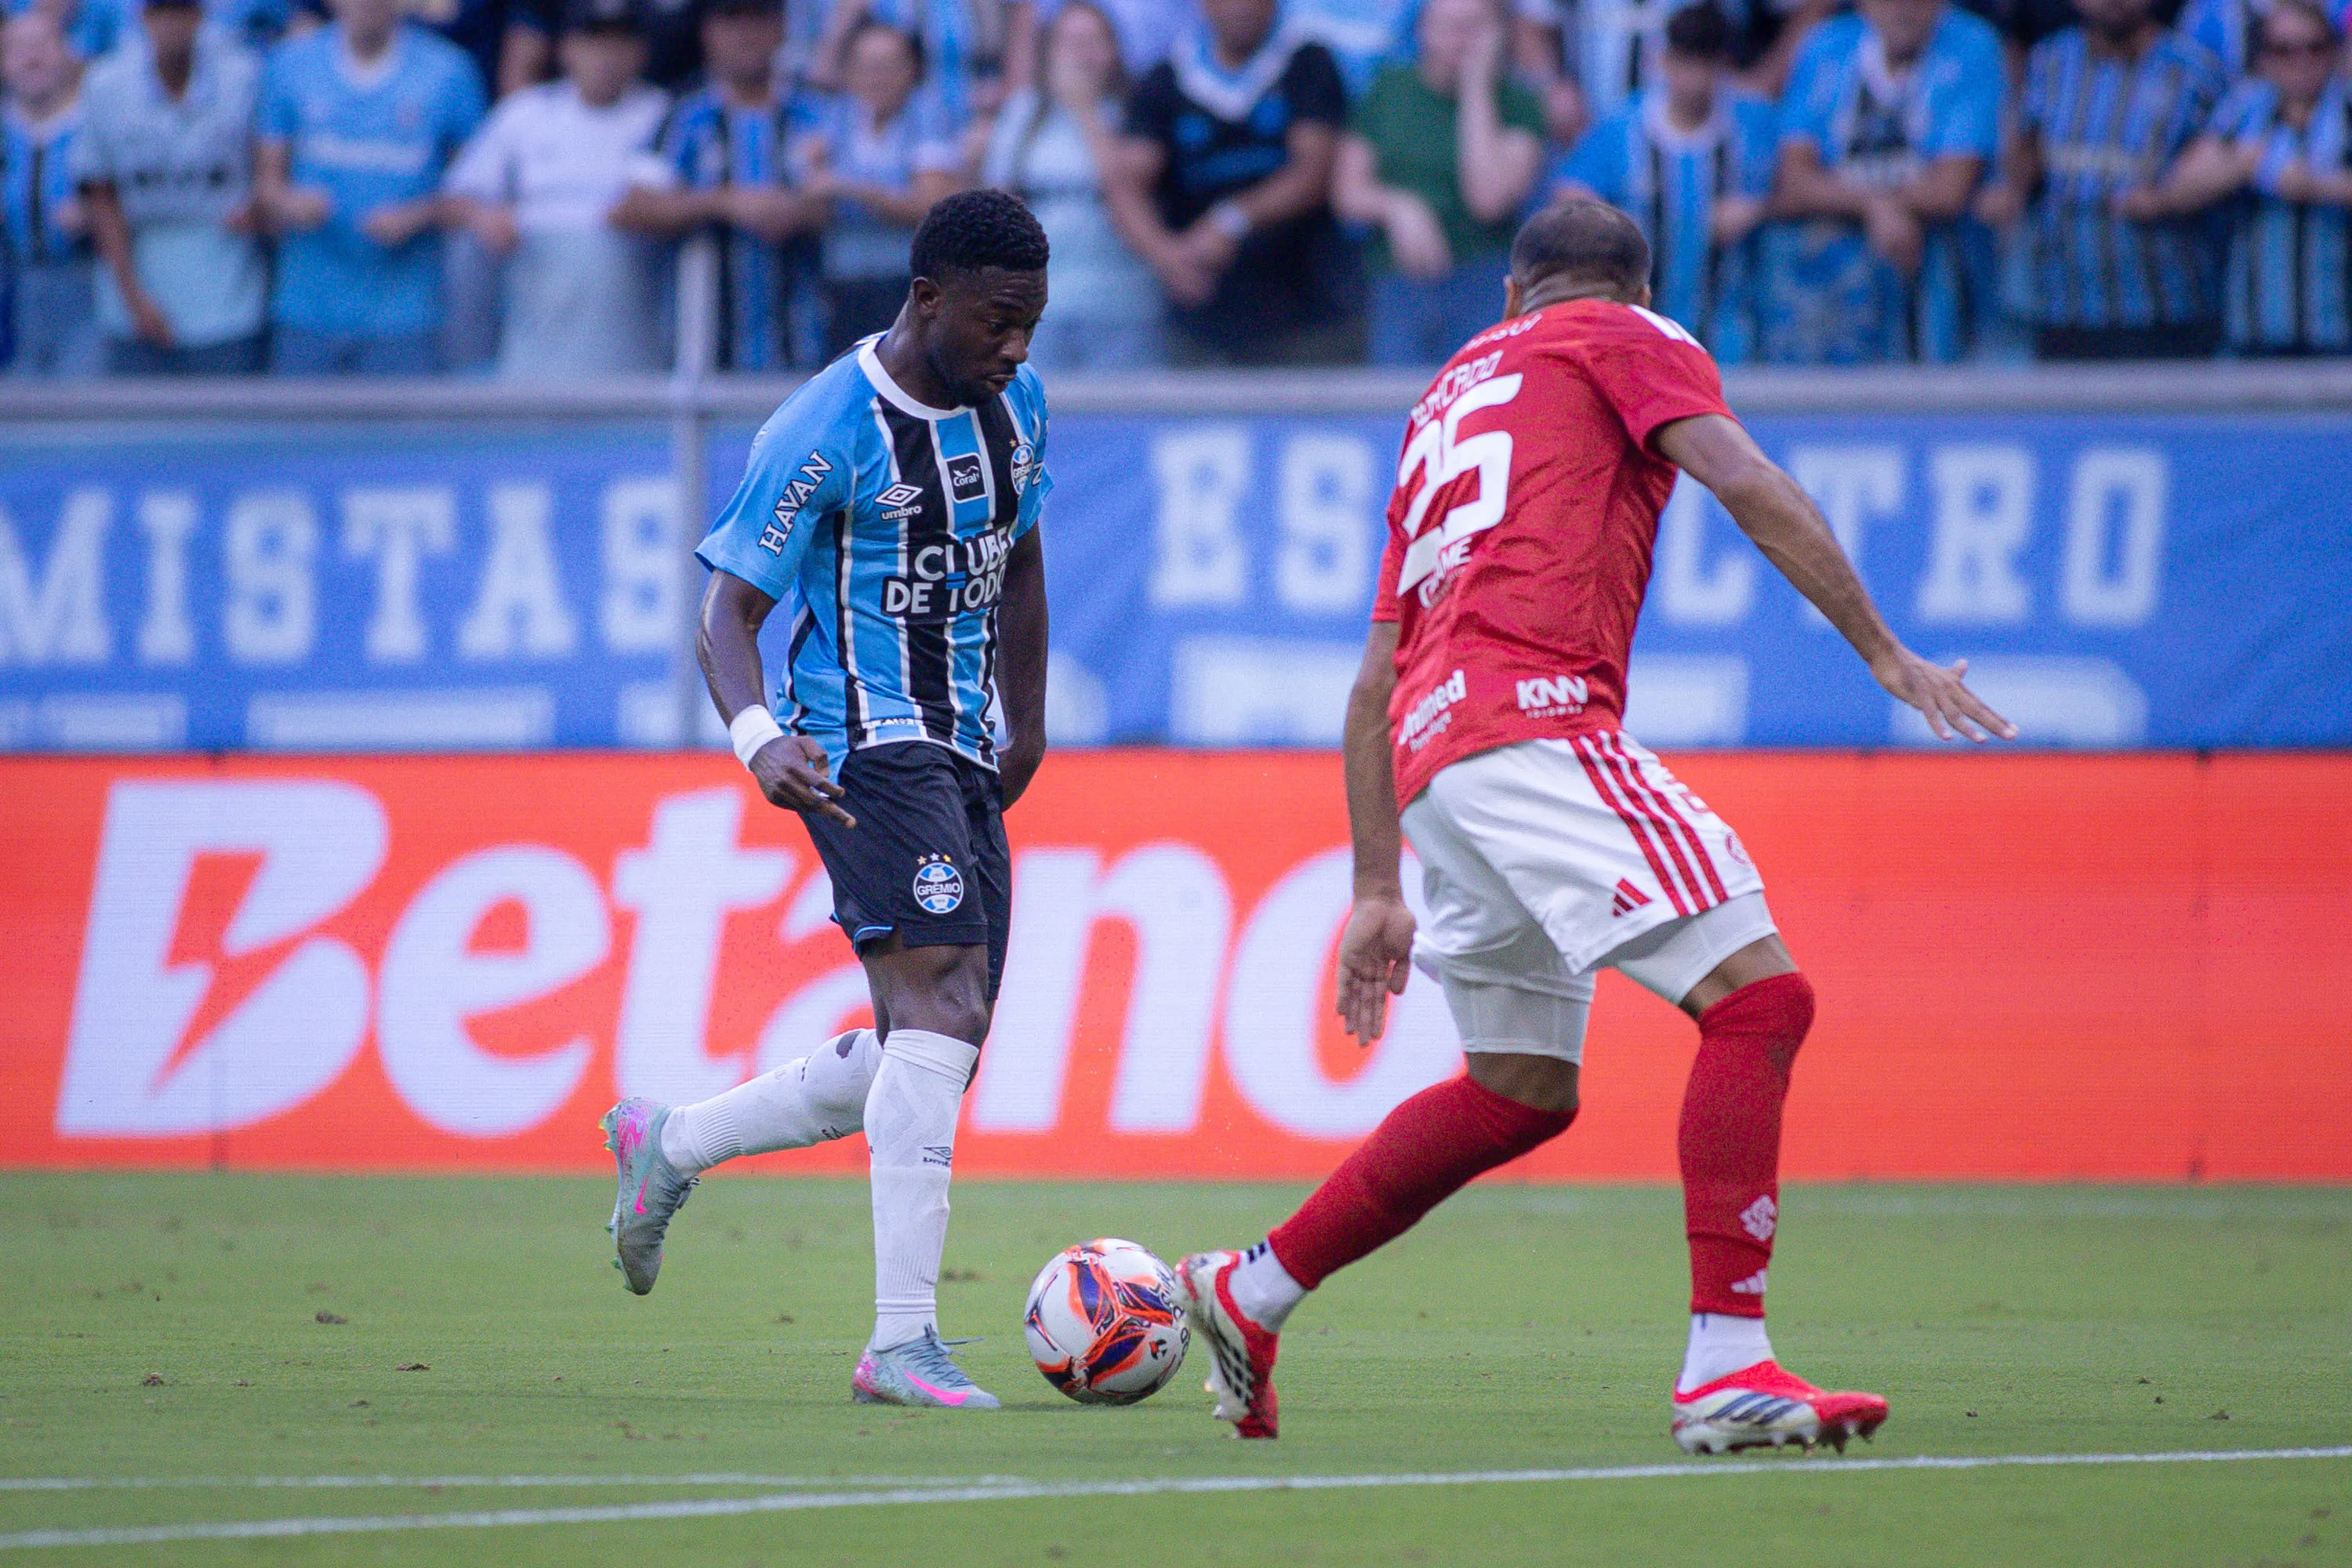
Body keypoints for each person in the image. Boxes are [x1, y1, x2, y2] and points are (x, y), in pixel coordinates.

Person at [1171, 198, 2016, 1451]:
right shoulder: (1626, 334)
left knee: (1518, 1089)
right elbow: (1743, 475)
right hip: (1538, 724)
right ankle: (1727, 1366)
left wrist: (1377, 886)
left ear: (1510, 292)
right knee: (1760, 1002)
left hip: (1434, 758)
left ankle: (1251, 1289)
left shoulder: (1446, 399)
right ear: (1625, 288)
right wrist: (1882, 651)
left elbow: (1371, 673)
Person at [600, 190, 1052, 1413]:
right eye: (1000, 321)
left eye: (1033, 325)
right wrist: (758, 742)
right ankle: (899, 1343)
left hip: (961, 745)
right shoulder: (824, 427)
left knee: (937, 1044)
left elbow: (1018, 559)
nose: (1017, 348)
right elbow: (726, 612)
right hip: (858, 742)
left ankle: (671, 1144)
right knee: (941, 1005)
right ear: (927, 299)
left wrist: (1031, 713)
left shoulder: (1016, 408)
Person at [1979, 0, 2230, 358]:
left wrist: (2170, 197)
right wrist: (2010, 189)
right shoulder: (2050, 60)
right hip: (2062, 307)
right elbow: (2026, 151)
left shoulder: (2194, 70)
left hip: (2166, 309)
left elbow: (2228, 161)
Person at [1105, 0, 1351, 365]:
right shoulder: (1168, 77)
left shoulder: (1307, 64)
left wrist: (1231, 220)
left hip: (1307, 311)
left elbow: (1314, 173)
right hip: (1201, 320)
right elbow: (1125, 185)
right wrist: (1166, 256)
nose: (1241, 7)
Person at [1761, 0, 2004, 363]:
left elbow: (1951, 189)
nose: (1902, 9)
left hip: (1936, 266)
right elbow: (1795, 180)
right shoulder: (1826, 46)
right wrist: (1876, 206)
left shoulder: (1974, 46)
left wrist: (1871, 203)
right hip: (1830, 279)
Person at [442, 0, 670, 379]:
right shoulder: (524, 114)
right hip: (534, 353)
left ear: (640, 52)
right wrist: (484, 216)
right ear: (566, 48)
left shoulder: (664, 114)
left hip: (634, 358)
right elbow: (452, 200)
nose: (606, 56)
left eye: (620, 42)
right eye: (593, 40)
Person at [256, 0, 486, 374]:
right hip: (308, 312)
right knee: (301, 433)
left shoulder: (449, 72)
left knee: (402, 433)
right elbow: (266, 185)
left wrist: (421, 213)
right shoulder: (290, 65)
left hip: (406, 319)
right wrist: (290, 204)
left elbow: (478, 196)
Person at [2124, 0, 2352, 354]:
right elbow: (2179, 186)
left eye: (2314, 48)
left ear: (2334, 53)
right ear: (2264, 58)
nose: (2301, 61)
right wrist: (2244, 166)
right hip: (2252, 333)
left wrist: (2318, 186)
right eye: (2284, 50)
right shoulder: (2244, 111)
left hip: (2339, 333)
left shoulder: (2347, 112)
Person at [1552, 2, 1776, 360]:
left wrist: (1761, 208)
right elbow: (1569, 194)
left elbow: (1798, 186)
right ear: (1664, 61)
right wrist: (1612, 227)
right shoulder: (1621, 128)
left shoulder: (1755, 124)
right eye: (1687, 64)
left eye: (1707, 66)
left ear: (1723, 67)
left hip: (1730, 335)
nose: (1696, 81)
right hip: (1635, 335)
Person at [615, 0, 827, 372]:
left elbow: (858, 194)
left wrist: (803, 210)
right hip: (704, 355)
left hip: (807, 351)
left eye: (758, 18)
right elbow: (630, 207)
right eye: (731, 19)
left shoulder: (815, 114)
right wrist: (725, 204)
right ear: (708, 32)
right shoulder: (683, 117)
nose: (746, 33)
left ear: (780, 29)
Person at [1338, 0, 1547, 366]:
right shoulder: (1389, 89)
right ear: (1422, 30)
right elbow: (1346, 192)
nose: (1458, 40)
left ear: (1498, 35)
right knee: (1392, 409)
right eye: (1447, 26)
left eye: (1473, 28)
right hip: (1399, 282)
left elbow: (1488, 199)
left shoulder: (1520, 103)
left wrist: (1475, 89)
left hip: (1486, 282)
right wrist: (1398, 207)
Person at [72, 0, 268, 375]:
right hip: (139, 272)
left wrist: (258, 209)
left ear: (199, 17)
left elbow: (270, 163)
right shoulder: (106, 81)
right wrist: (133, 298)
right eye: (160, 12)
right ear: (144, 18)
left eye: (181, 11)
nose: (171, 24)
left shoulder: (244, 76)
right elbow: (99, 193)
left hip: (227, 283)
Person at [981, 0, 1161, 368]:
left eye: (1093, 42)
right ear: (1049, 52)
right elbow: (996, 209)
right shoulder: (1022, 114)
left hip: (1123, 306)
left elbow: (1135, 187)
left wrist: (1085, 111)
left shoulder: (1137, 110)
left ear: (1114, 50)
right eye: (1070, 43)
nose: (1082, 55)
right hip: (1040, 308)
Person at [795, 18, 967, 358]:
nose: (878, 76)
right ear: (848, 72)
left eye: (890, 65)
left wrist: (848, 188)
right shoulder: (831, 119)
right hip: (840, 284)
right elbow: (808, 201)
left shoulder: (927, 117)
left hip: (909, 290)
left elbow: (930, 205)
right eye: (867, 66)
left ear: (912, 70)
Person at [2, 7, 100, 377]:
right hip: (16, 289)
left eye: (42, 45)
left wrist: (94, 216)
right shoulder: (5, 130)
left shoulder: (92, 122)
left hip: (84, 286)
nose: (31, 58)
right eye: (17, 48)